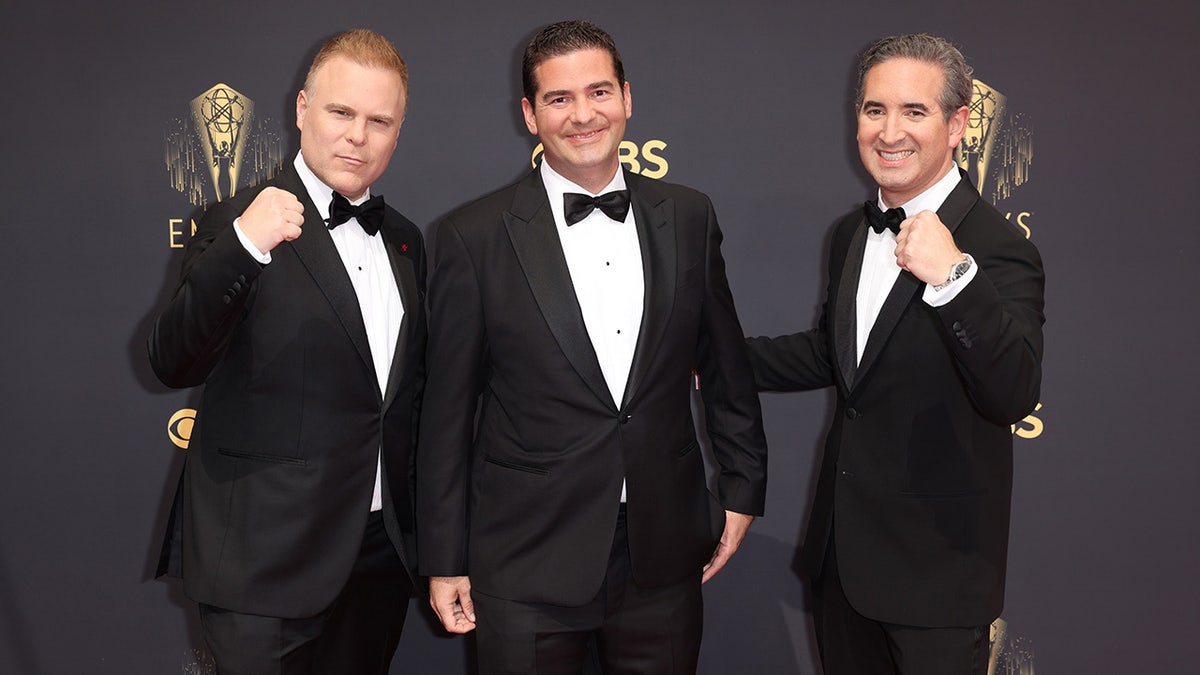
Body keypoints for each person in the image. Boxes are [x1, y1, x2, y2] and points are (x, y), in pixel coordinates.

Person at [416, 19, 768, 675]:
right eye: (559, 98)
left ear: (627, 98)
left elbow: (725, 363)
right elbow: (446, 413)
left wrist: (745, 486)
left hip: (662, 552)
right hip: (526, 557)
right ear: (529, 113)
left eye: (599, 92)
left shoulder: (690, 215)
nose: (584, 115)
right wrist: (444, 556)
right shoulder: (473, 235)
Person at [746, 33, 1045, 674]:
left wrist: (953, 279)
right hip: (844, 564)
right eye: (875, 110)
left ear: (958, 124)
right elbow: (834, 356)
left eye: (914, 111)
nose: (889, 132)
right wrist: (705, 359)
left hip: (937, 574)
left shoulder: (997, 248)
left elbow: (1015, 389)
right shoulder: (852, 233)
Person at [148, 29, 424, 675]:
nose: (358, 135)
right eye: (341, 112)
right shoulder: (235, 221)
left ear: (397, 132)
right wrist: (245, 244)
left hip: (378, 558)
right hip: (262, 565)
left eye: (379, 120)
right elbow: (171, 359)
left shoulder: (406, 242)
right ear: (301, 109)